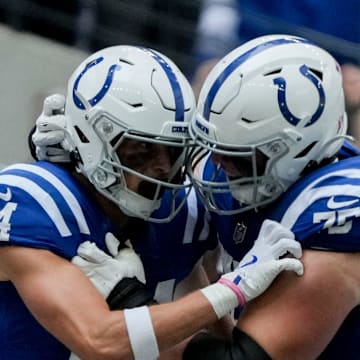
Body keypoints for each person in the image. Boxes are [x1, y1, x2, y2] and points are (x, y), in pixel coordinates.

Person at [0, 44, 303, 359]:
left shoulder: (180, 216)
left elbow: (189, 349)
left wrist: (131, 300)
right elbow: (98, 340)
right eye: (142, 148)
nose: (161, 166)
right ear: (91, 138)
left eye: (172, 150)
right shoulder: (34, 201)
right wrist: (232, 288)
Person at [186, 34, 360, 359]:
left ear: (301, 148)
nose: (219, 166)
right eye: (216, 150)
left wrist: (130, 308)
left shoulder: (333, 219)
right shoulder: (234, 169)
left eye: (237, 155)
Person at [192, 0, 360, 146]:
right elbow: (220, 18)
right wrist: (211, 58)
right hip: (252, 68)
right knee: (207, 84)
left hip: (336, 76)